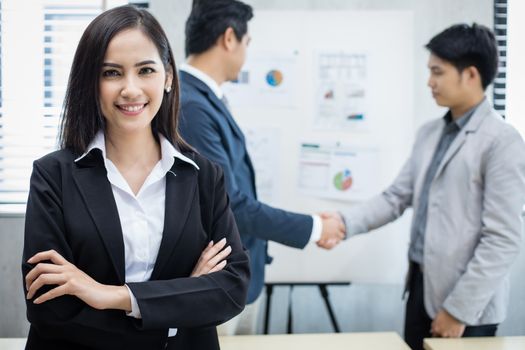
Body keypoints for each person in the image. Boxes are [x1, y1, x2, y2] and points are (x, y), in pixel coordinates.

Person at [21, 5, 249, 350]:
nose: (130, 89)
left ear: (168, 76)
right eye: (111, 73)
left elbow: (231, 288)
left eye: (145, 70)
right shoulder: (53, 176)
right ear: (91, 83)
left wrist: (109, 295)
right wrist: (177, 310)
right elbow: (50, 308)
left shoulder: (203, 176)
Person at [330, 23, 525, 350]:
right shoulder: (429, 133)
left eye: (438, 72)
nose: (429, 82)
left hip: (467, 304)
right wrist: (343, 223)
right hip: (421, 287)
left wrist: (457, 310)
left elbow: (503, 239)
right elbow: (395, 198)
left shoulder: (502, 141)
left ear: (471, 75)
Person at [178, 0, 346, 335]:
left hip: (238, 278)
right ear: (229, 38)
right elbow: (230, 205)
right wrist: (314, 228)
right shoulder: (191, 106)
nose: (246, 53)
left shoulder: (203, 99)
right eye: (247, 43)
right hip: (216, 283)